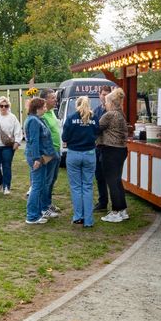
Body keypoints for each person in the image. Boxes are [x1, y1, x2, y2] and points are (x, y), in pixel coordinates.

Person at [62, 96, 99, 227]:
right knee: (88, 186)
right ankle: (88, 220)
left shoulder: (71, 118)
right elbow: (97, 133)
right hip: (89, 153)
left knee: (76, 187)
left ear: (76, 105)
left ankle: (78, 216)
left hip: (74, 154)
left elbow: (64, 137)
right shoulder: (94, 118)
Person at [97, 88, 129, 223]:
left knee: (112, 182)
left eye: (106, 101)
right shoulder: (121, 114)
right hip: (121, 150)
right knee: (117, 181)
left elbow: (96, 128)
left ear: (111, 102)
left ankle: (115, 211)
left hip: (110, 150)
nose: (105, 104)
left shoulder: (109, 115)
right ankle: (122, 210)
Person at [23, 97, 55, 225]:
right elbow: (33, 141)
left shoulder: (36, 119)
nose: (46, 109)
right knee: (36, 187)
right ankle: (31, 216)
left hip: (43, 157)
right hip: (38, 157)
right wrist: (36, 158)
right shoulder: (33, 121)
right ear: (38, 108)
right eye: (44, 107)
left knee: (40, 185)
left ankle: (38, 212)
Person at [39, 89, 63, 217]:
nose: (55, 100)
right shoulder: (42, 116)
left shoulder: (52, 113)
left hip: (56, 151)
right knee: (47, 180)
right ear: (45, 100)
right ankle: (44, 207)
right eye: (52, 98)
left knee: (53, 179)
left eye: (55, 97)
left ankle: (48, 204)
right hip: (49, 152)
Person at [93, 86, 112, 212]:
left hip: (109, 147)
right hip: (97, 146)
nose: (104, 96)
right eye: (102, 94)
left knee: (110, 177)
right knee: (99, 175)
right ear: (99, 95)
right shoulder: (96, 110)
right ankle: (102, 202)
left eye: (107, 94)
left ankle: (116, 205)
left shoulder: (111, 111)